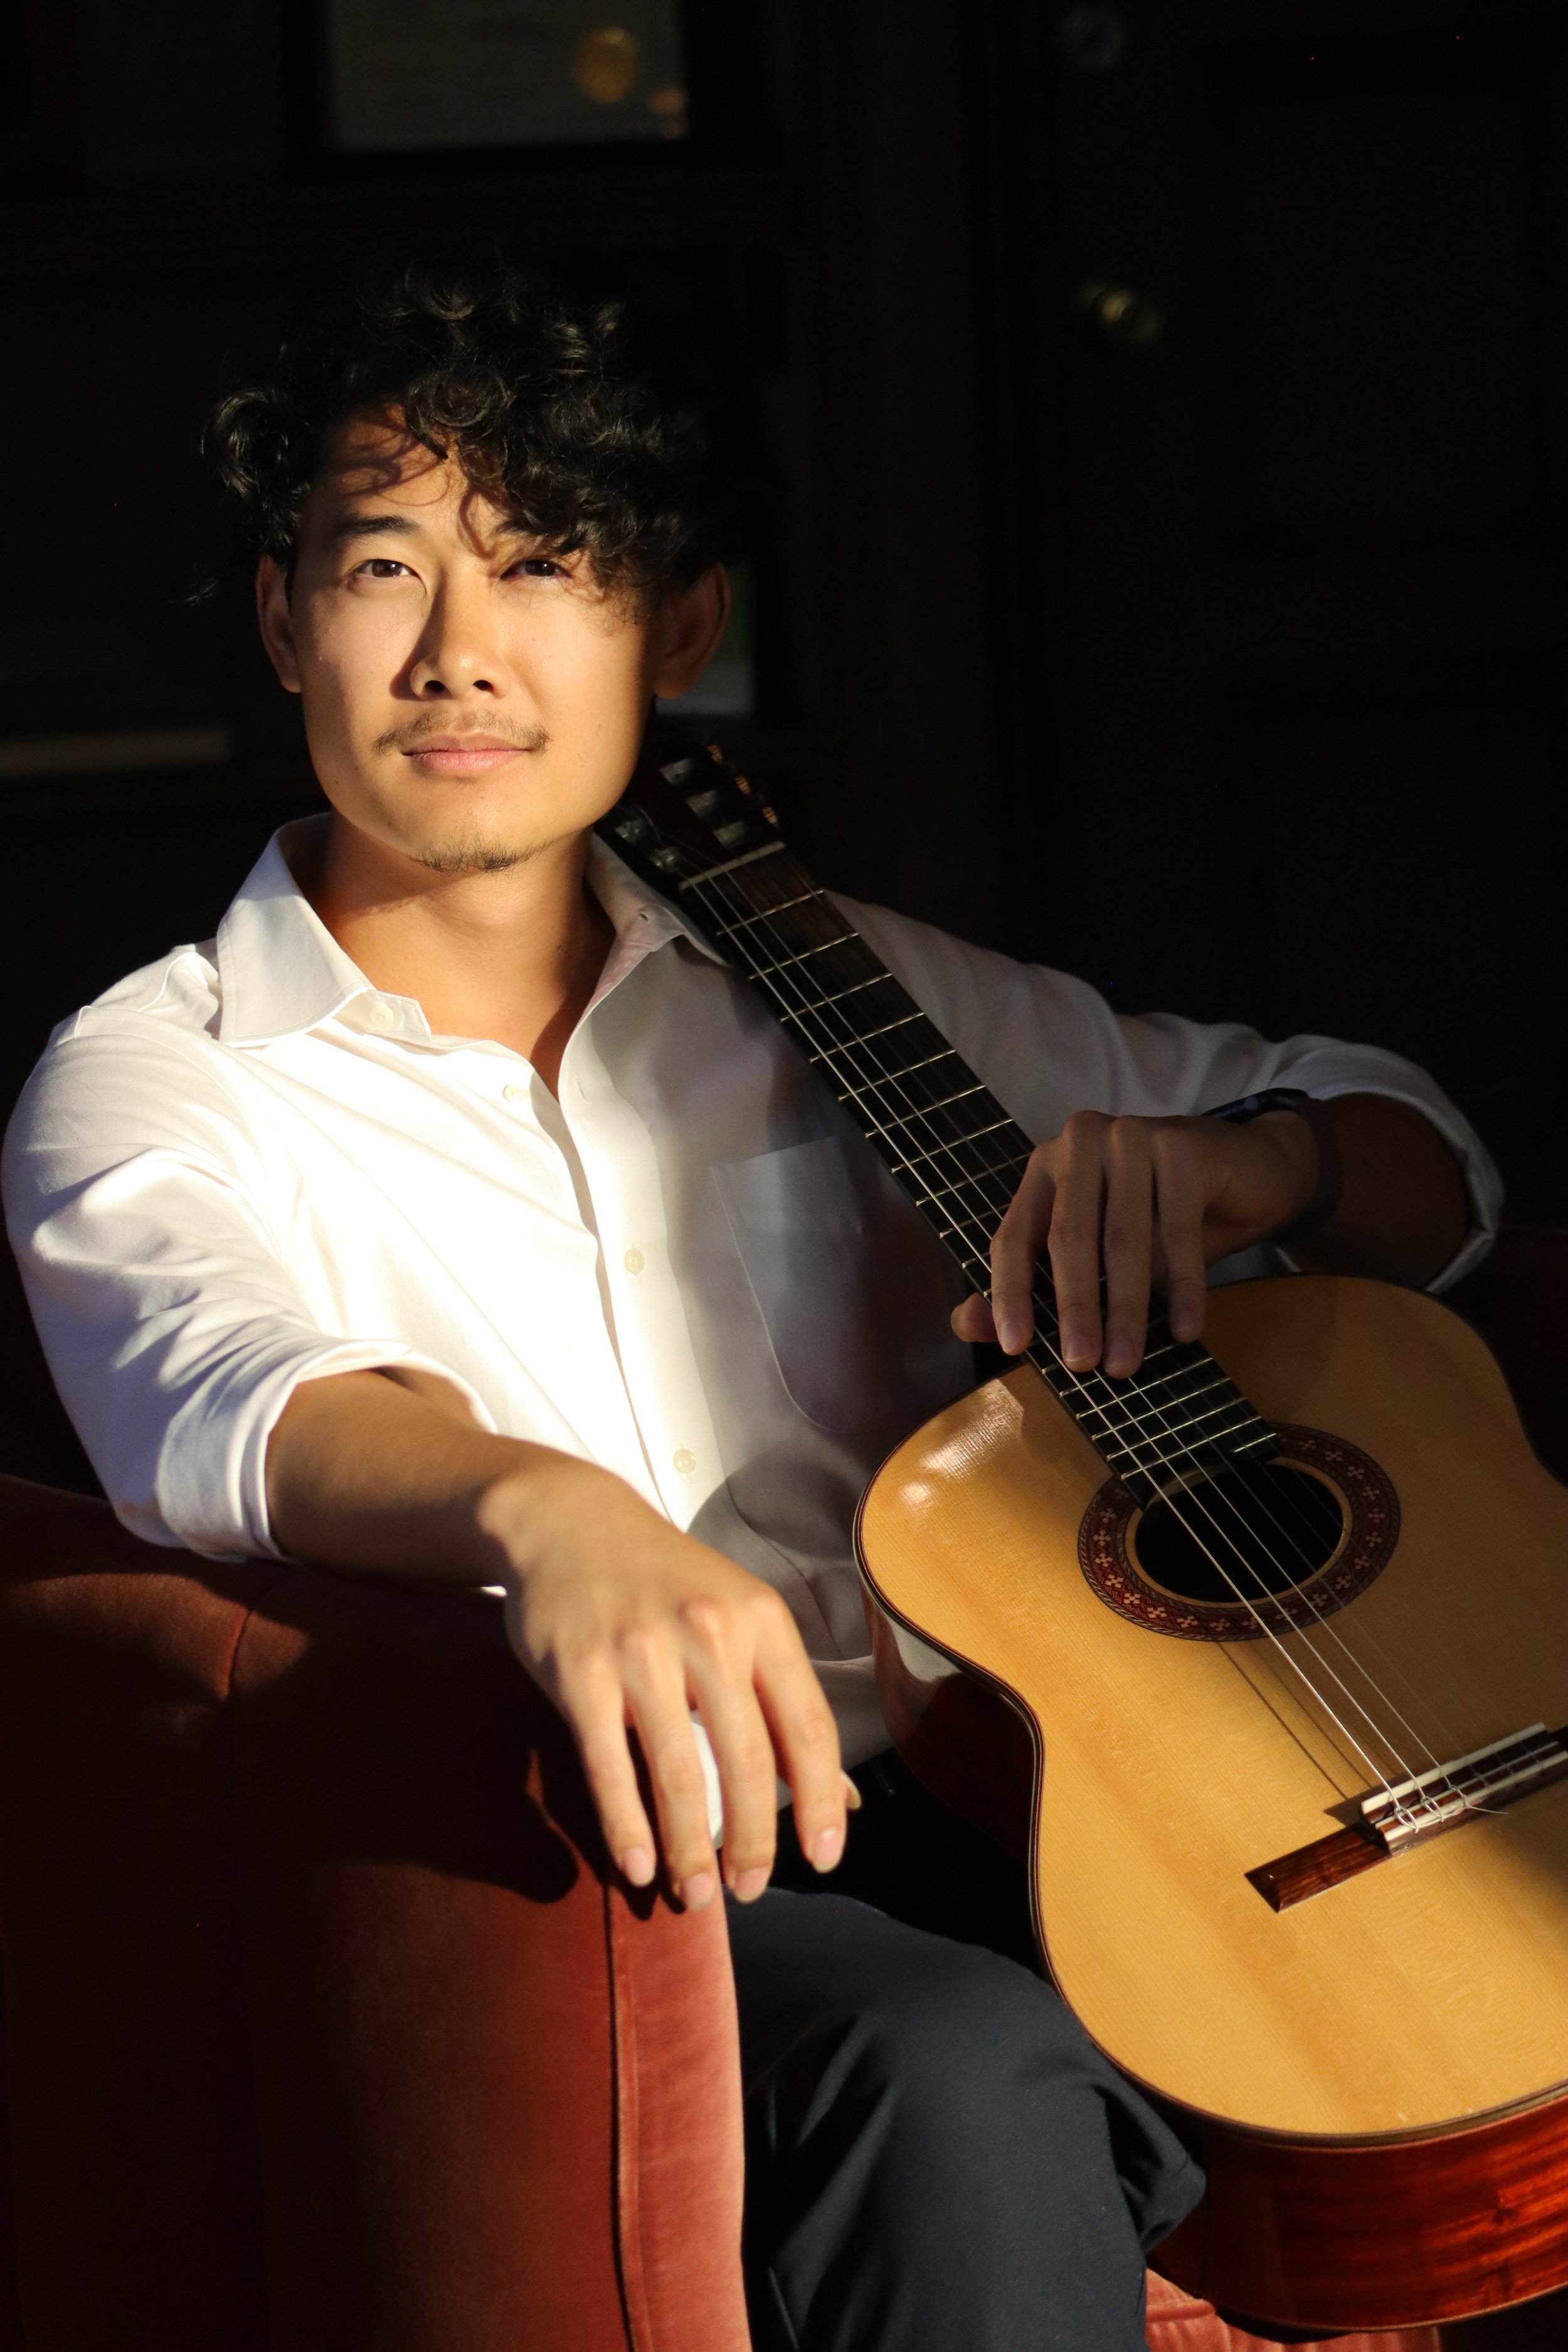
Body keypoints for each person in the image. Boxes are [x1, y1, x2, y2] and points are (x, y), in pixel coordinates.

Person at [3, 263, 1497, 2351]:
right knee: (957, 2075)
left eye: (547, 566)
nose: (459, 651)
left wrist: (1263, 1166)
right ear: (281, 619)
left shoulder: (833, 982)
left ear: (677, 630)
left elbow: (1426, 1162)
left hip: (1050, 1799)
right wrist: (546, 1511)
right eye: (383, 568)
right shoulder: (158, 1075)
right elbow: (227, 1396)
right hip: (602, 1860)